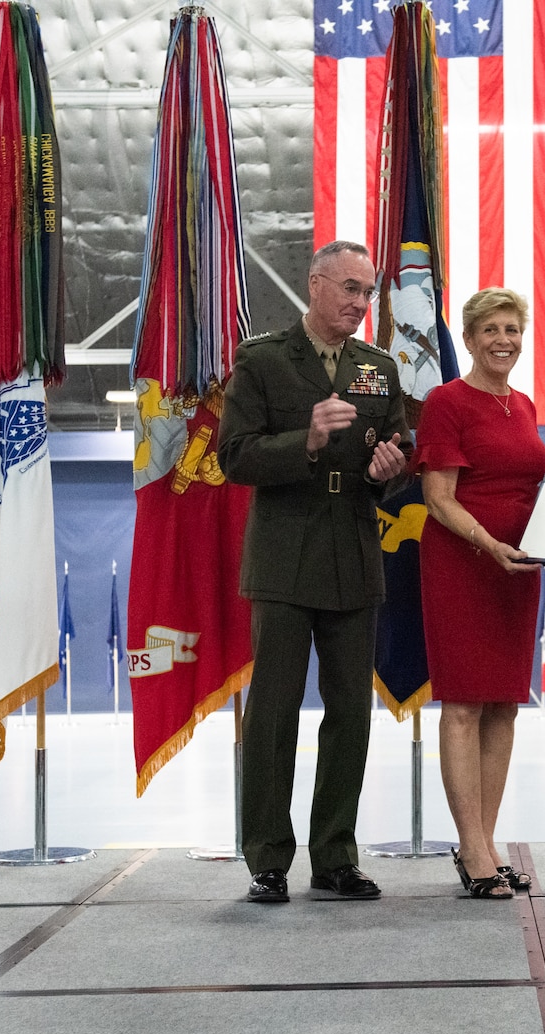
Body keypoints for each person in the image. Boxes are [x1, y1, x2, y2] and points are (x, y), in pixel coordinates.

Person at [218, 240, 412, 903]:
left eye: (368, 293)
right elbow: (234, 458)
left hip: (353, 556)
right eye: (351, 289)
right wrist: (304, 437)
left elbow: (400, 446)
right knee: (272, 715)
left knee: (351, 714)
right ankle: (267, 859)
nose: (361, 304)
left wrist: (393, 469)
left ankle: (335, 857)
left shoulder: (378, 369)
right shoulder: (265, 360)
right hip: (283, 557)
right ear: (315, 285)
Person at [416, 288, 545, 899]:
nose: (504, 340)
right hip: (464, 564)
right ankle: (471, 850)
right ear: (468, 339)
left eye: (513, 330)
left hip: (518, 571)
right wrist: (488, 544)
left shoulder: (523, 404)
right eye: (491, 330)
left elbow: (539, 489)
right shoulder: (446, 402)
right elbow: (437, 498)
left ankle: (487, 844)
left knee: (502, 705)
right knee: (465, 705)